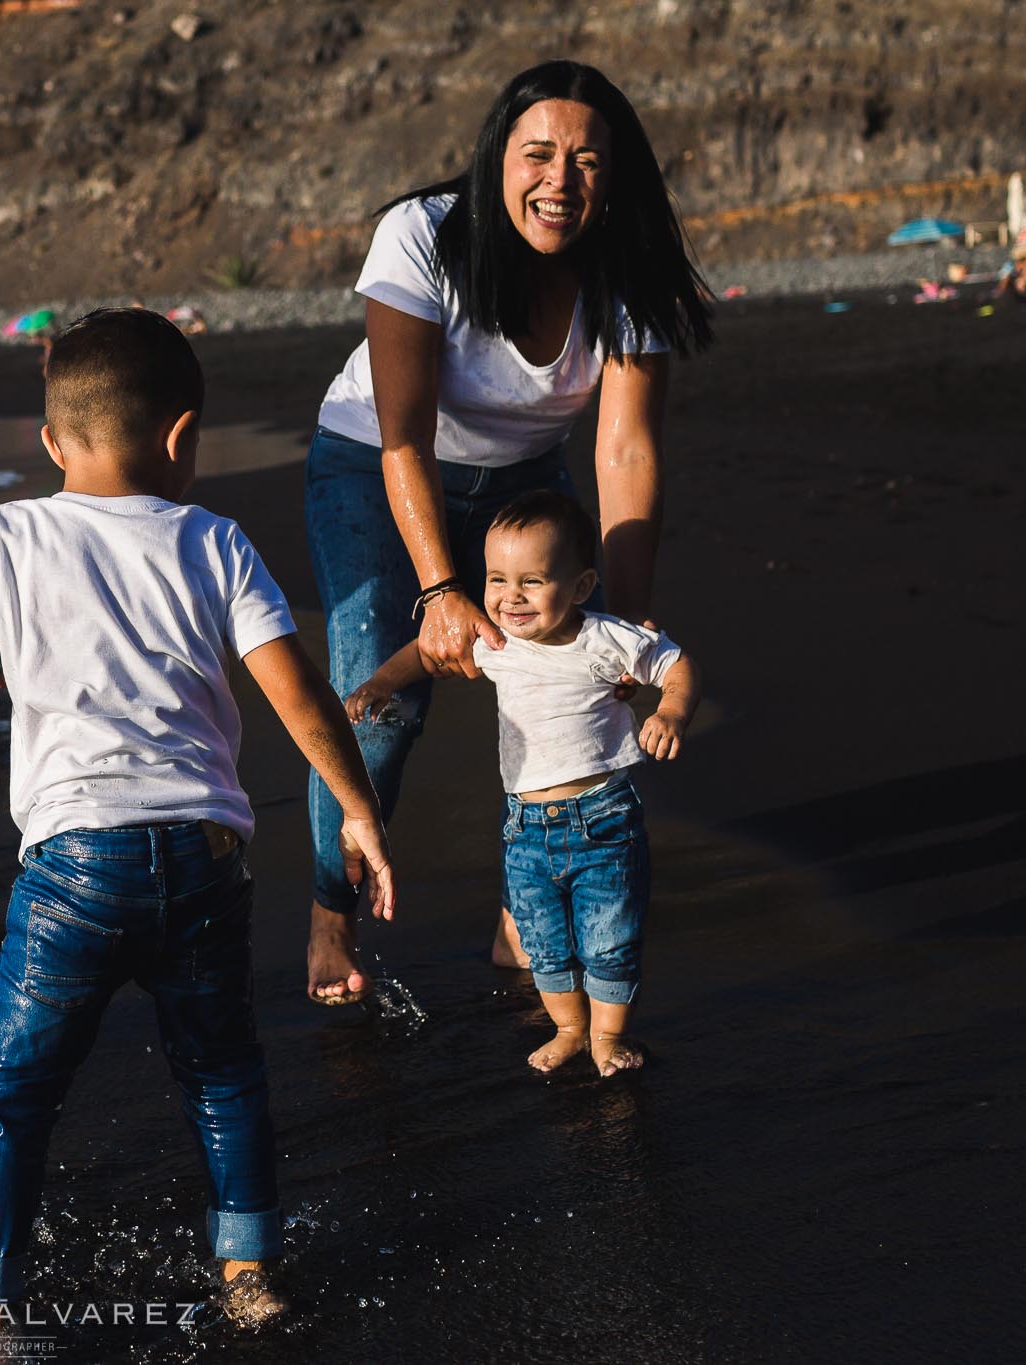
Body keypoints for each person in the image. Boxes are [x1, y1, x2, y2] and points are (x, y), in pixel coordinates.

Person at [0, 310, 397, 1361]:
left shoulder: (9, 535)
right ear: (181, 435)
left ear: (53, 444)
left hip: (72, 872)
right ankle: (246, 1275)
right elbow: (297, 699)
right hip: (203, 863)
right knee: (221, 1076)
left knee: (11, 1095)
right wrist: (356, 810)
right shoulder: (213, 541)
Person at [302, 59, 712, 1005]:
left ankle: (524, 908)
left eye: (586, 162)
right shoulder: (423, 236)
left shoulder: (628, 271)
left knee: (581, 675)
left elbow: (626, 457)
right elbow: (404, 434)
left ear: (617, 176)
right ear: (497, 159)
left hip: (525, 478)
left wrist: (633, 630)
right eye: (537, 154)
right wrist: (442, 592)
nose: (558, 182)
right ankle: (332, 909)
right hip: (377, 464)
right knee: (385, 701)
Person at [347, 492, 699, 1075]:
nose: (511, 596)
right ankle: (568, 1027)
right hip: (525, 826)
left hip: (602, 816)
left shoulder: (605, 639)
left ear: (582, 586)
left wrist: (671, 713)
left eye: (532, 581)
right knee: (543, 939)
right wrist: (383, 682)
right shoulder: (496, 642)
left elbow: (678, 665)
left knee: (610, 935)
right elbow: (429, 654)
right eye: (497, 579)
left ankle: (608, 1038)